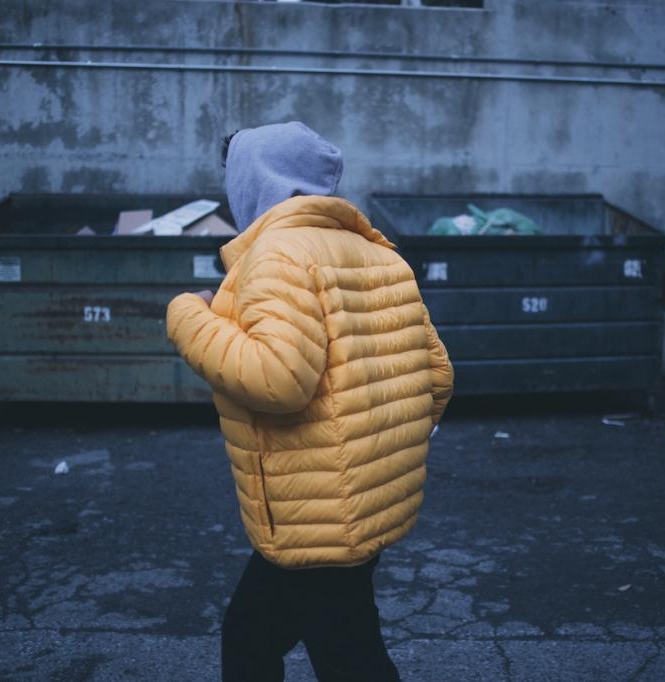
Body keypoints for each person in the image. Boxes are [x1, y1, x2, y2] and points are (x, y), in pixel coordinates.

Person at [165, 121, 454, 682]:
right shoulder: (376, 252)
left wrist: (187, 315)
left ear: (254, 181)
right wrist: (373, 448)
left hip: (317, 511)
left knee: (337, 655)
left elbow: (278, 379)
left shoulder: (277, 256)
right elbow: (437, 375)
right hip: (364, 501)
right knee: (264, 635)